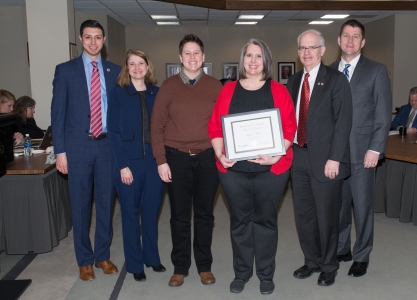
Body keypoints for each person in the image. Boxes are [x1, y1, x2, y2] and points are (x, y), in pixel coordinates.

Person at [208, 38, 296, 295]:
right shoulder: (228, 90)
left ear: (265, 60)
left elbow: (289, 127)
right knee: (240, 223)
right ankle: (242, 273)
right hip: (233, 172)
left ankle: (266, 275)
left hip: (270, 171)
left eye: (258, 56)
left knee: (266, 222)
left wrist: (277, 154)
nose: (254, 61)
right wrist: (219, 153)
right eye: (249, 56)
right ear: (243, 60)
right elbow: (215, 126)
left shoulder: (278, 90)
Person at [51, 19, 121, 281]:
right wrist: (60, 152)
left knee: (105, 205)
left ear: (104, 41)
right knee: (80, 206)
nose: (93, 42)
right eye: (88, 37)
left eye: (98, 37)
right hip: (78, 149)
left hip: (106, 148)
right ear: (81, 39)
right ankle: (84, 260)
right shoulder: (65, 71)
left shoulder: (115, 71)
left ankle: (102, 255)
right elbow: (57, 114)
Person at [151, 34, 222, 287]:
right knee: (180, 216)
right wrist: (161, 160)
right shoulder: (168, 87)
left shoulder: (216, 86)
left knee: (204, 215)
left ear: (203, 57)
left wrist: (224, 154)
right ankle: (180, 267)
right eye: (187, 53)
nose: (192, 57)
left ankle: (205, 266)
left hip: (208, 159)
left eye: (197, 53)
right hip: (175, 159)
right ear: (180, 57)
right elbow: (156, 125)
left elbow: (224, 124)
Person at [286, 29, 352, 287]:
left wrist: (335, 158)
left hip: (326, 161)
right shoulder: (293, 81)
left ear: (322, 50)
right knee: (304, 216)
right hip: (298, 157)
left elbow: (343, 122)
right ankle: (311, 261)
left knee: (327, 218)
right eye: (302, 48)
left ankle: (329, 265)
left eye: (312, 47)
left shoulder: (335, 79)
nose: (306, 52)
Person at [329, 19, 392, 277]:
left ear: (363, 42)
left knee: (363, 207)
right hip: (336, 155)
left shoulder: (377, 70)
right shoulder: (329, 71)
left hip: (363, 152)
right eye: (346, 35)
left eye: (356, 36)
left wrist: (375, 149)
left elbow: (383, 113)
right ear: (338, 40)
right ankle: (342, 248)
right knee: (339, 206)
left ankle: (362, 255)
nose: (350, 40)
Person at [108, 50, 165, 282]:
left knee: (151, 213)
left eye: (141, 63)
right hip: (128, 163)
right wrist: (122, 165)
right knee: (130, 215)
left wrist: (164, 160)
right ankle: (135, 264)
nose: (137, 67)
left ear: (148, 66)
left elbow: (164, 128)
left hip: (154, 163)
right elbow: (113, 131)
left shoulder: (157, 93)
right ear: (126, 68)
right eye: (132, 64)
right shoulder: (118, 94)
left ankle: (152, 258)